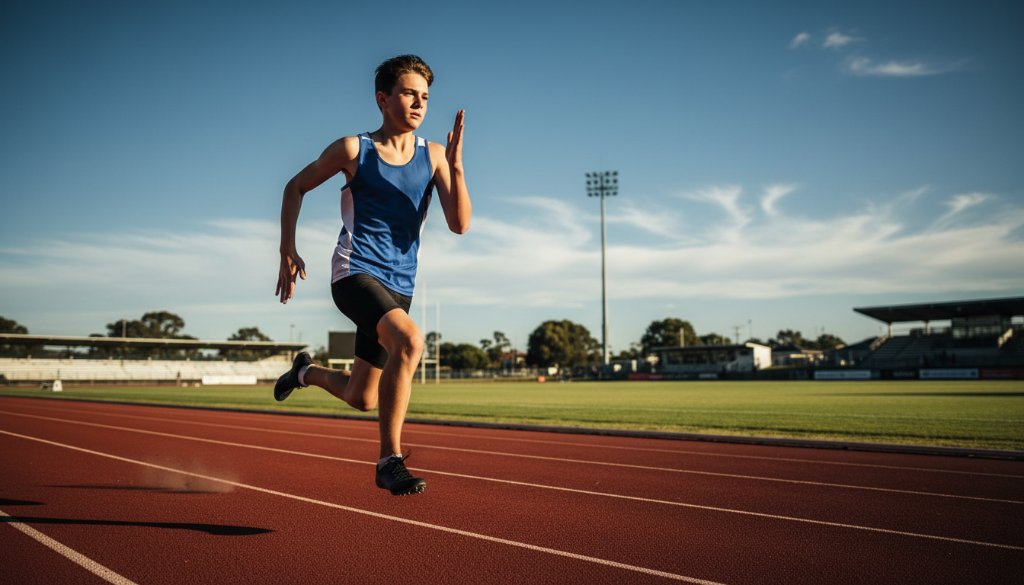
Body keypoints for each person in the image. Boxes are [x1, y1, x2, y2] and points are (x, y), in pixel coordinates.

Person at [273, 55, 470, 496]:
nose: (419, 103)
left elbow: (459, 224)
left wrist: (456, 168)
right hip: (354, 272)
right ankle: (389, 461)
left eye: (425, 96)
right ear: (382, 99)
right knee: (410, 341)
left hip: (400, 285)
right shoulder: (353, 149)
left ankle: (305, 373)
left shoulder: (434, 156)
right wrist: (288, 247)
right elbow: (294, 187)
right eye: (408, 93)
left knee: (363, 397)